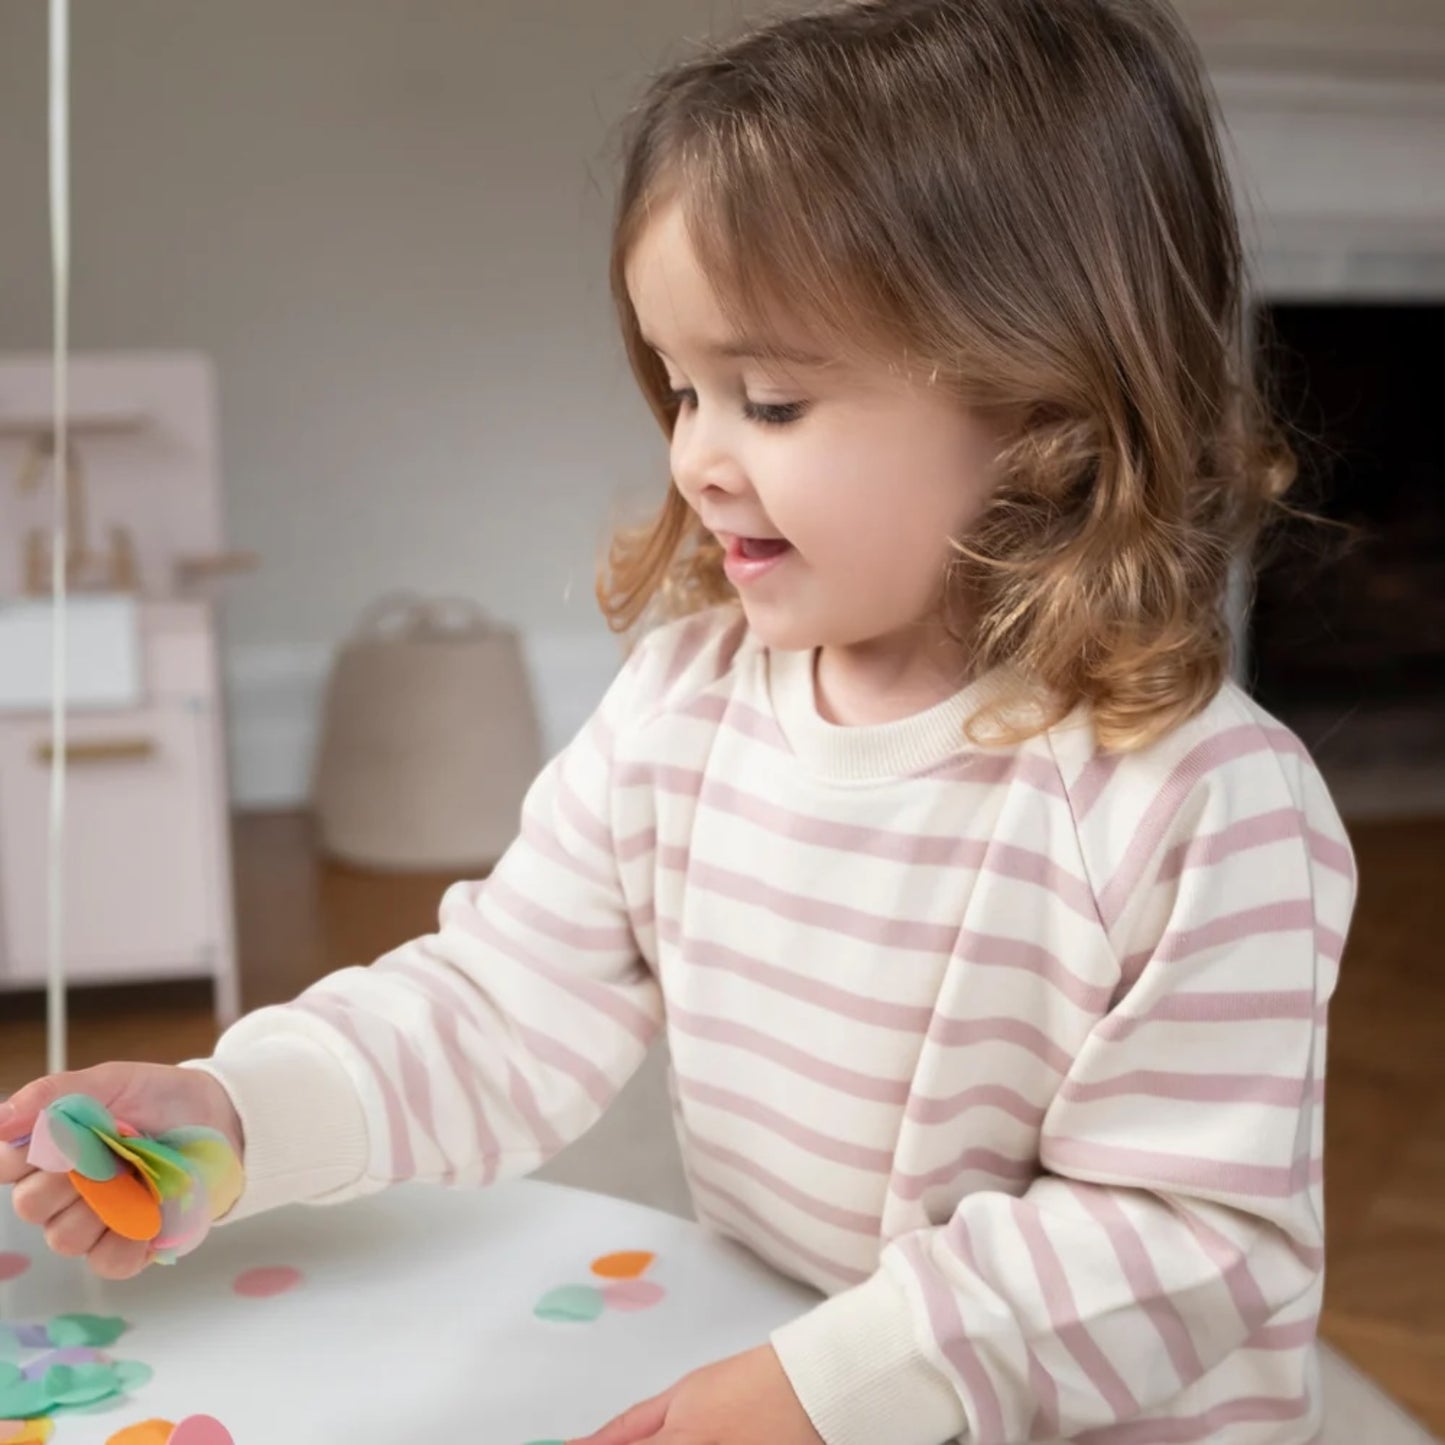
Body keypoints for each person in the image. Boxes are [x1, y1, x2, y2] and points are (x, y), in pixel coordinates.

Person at [0, 2, 1355, 1442]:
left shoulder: (1201, 806)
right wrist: (242, 1113)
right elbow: (498, 1003)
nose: (696, 454)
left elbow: (1182, 1234)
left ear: (1045, 406)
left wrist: (836, 1388)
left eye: (768, 401)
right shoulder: (682, 707)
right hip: (787, 1368)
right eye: (681, 387)